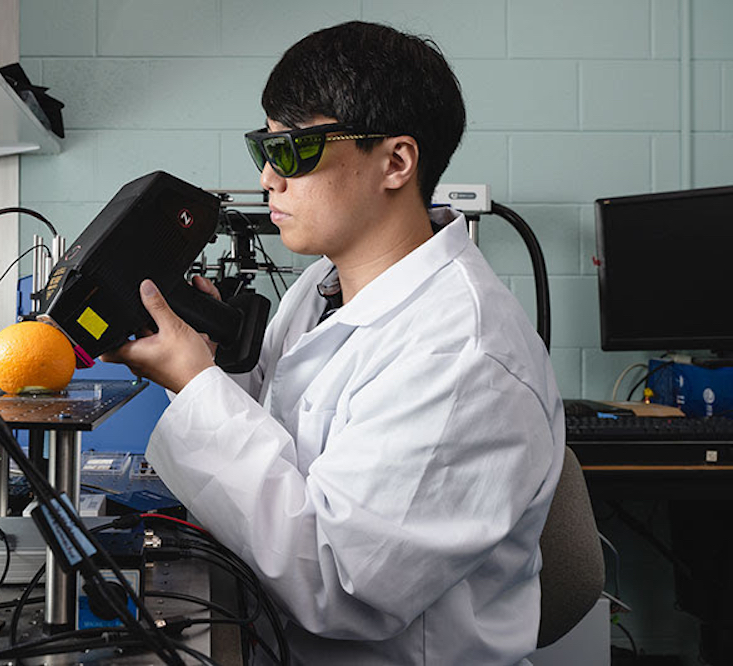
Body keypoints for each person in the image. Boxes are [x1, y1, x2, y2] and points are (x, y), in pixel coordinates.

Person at [103, 21, 564, 666]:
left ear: (396, 162)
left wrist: (193, 383)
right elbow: (280, 439)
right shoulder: (323, 283)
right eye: (262, 149)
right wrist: (207, 358)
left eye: (293, 152)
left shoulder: (465, 353)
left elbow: (342, 584)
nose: (268, 178)